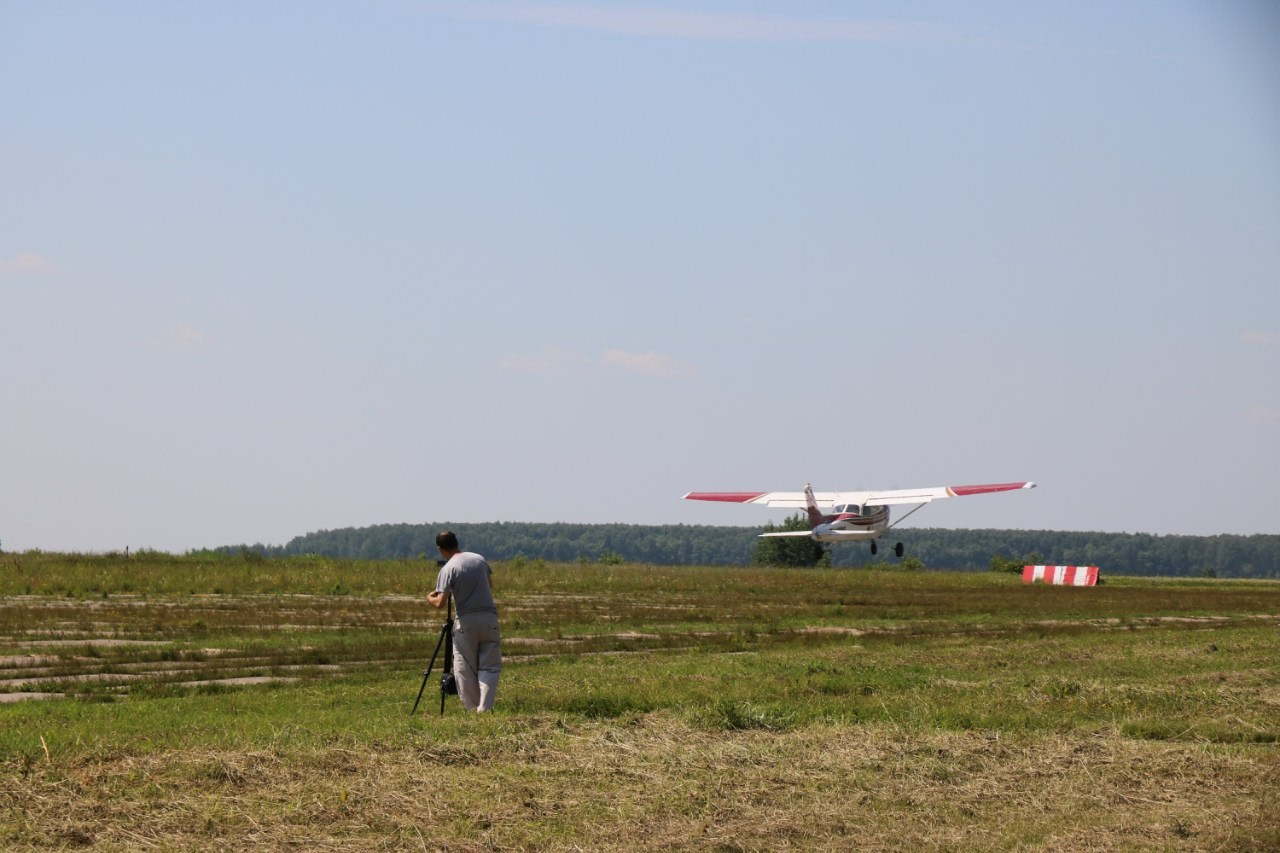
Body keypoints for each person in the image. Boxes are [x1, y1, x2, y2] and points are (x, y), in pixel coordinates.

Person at [428, 530, 502, 712]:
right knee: (490, 666)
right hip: (489, 617)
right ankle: (484, 708)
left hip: (466, 621)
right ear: (456, 542)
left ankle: (472, 709)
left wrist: (429, 597)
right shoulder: (478, 559)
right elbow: (490, 585)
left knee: (465, 667)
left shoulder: (448, 568)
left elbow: (440, 603)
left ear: (440, 549)